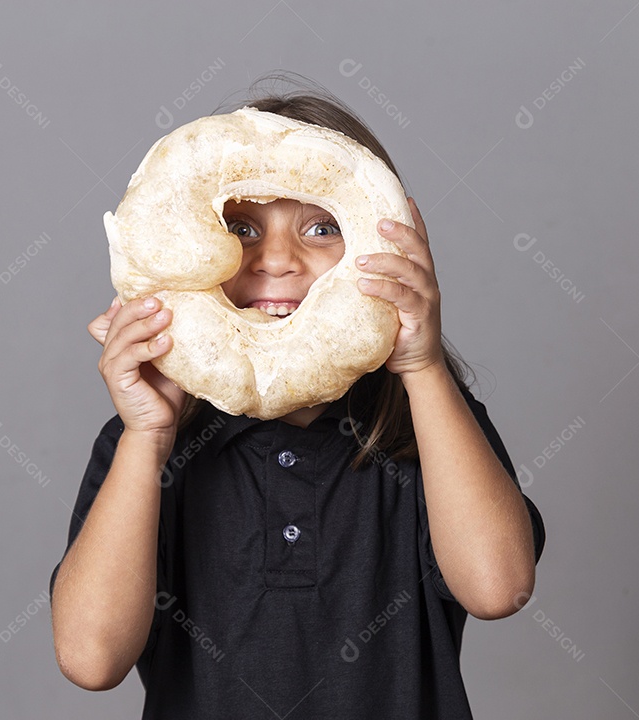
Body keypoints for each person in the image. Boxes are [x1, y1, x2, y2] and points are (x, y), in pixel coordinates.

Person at [49, 72, 546, 719]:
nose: (276, 259)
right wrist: (146, 438)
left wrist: (423, 368)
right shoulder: (147, 444)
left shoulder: (422, 426)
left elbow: (498, 588)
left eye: (319, 228)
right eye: (244, 228)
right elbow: (90, 658)